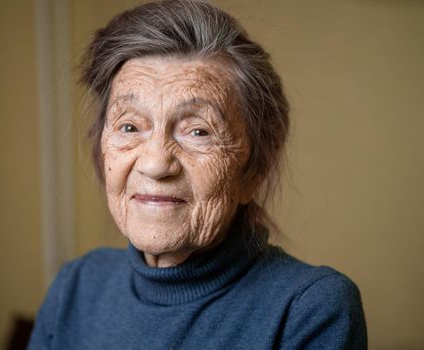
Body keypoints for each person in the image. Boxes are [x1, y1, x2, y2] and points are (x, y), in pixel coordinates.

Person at [28, 0, 367, 349]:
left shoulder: (309, 309)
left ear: (256, 169)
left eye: (198, 131)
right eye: (129, 126)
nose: (156, 163)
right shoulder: (75, 286)